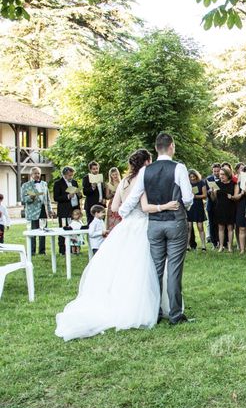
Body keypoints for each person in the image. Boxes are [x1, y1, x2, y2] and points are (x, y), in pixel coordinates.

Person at [55, 149, 182, 341]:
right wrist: (166, 206)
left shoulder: (123, 181)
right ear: (147, 162)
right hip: (142, 227)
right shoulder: (142, 181)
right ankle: (143, 306)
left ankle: (121, 300)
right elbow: (145, 207)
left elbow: (114, 208)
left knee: (121, 267)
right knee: (144, 267)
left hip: (125, 227)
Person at [119, 133, 194, 325]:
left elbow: (134, 197)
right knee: (174, 269)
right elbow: (187, 198)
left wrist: (123, 211)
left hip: (153, 224)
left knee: (156, 269)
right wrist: (185, 206)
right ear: (172, 146)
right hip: (175, 222)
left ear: (156, 148)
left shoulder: (145, 171)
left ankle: (155, 311)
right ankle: (175, 315)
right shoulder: (179, 168)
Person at [22, 167, 54, 254]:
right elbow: (23, 199)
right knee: (33, 232)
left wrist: (50, 210)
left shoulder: (44, 184)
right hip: (32, 211)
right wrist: (30, 197)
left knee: (43, 230)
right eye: (35, 173)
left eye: (38, 173)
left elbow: (47, 198)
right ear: (31, 175)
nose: (37, 175)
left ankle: (42, 251)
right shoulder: (26, 185)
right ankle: (32, 251)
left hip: (43, 210)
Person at [54, 166, 82, 255]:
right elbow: (56, 198)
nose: (71, 177)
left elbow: (79, 196)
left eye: (72, 175)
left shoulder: (74, 182)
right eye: (69, 175)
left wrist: (79, 194)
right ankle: (63, 250)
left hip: (75, 209)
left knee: (75, 229)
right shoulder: (58, 183)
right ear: (64, 175)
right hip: (64, 210)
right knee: (64, 229)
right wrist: (67, 196)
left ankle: (75, 249)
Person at [213, 166, 237, 252]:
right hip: (220, 207)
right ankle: (221, 246)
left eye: (223, 174)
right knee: (221, 228)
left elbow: (236, 197)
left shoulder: (233, 184)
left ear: (228, 175)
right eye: (220, 174)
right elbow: (213, 199)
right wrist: (213, 192)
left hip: (230, 207)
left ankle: (230, 246)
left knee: (230, 228)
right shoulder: (217, 184)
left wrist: (232, 197)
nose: (221, 176)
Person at [187, 169, 208, 251]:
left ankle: (203, 246)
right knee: (189, 227)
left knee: (200, 226)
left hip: (198, 205)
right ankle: (187, 246)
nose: (192, 178)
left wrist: (196, 197)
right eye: (190, 177)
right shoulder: (187, 184)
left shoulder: (201, 183)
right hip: (190, 206)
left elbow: (205, 195)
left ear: (196, 176)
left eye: (194, 176)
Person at [83, 161, 107, 226]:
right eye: (94, 169)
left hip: (101, 204)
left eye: (97, 168)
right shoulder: (86, 178)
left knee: (101, 223)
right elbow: (85, 192)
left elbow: (103, 189)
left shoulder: (101, 177)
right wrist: (92, 187)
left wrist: (104, 198)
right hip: (91, 205)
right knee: (91, 224)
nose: (96, 170)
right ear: (90, 169)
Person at [233, 163, 246, 254]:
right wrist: (242, 193)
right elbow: (235, 197)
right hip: (241, 206)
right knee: (242, 228)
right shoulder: (239, 183)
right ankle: (242, 249)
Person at [206, 163, 221, 248]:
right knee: (212, 224)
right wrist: (210, 192)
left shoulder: (223, 178)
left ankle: (222, 242)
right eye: (214, 171)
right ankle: (214, 243)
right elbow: (206, 191)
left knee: (220, 224)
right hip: (211, 205)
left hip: (220, 205)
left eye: (218, 171)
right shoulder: (209, 179)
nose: (216, 173)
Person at [105, 167, 122, 232]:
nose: (115, 176)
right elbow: (107, 196)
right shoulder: (109, 185)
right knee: (112, 221)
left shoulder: (121, 183)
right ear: (110, 175)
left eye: (116, 174)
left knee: (120, 220)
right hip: (112, 203)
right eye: (113, 175)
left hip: (120, 203)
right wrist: (112, 193)